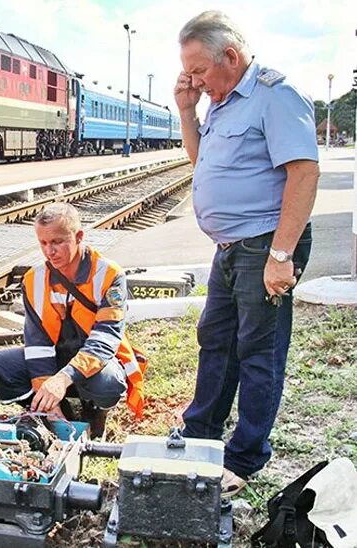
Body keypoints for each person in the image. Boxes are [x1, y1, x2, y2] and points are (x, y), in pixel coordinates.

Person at [173, 11, 319, 496]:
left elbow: (303, 173)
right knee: (216, 340)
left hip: (264, 245)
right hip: (231, 248)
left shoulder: (274, 96)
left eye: (199, 72)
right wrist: (187, 110)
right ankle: (201, 434)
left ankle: (245, 456)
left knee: (259, 351)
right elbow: (203, 162)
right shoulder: (221, 102)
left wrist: (281, 254)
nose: (194, 81)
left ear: (230, 57)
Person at [0, 203, 147, 438]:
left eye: (57, 242)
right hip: (57, 355)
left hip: (95, 359)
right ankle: (47, 409)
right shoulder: (34, 280)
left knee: (108, 382)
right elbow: (37, 342)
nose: (50, 251)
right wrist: (46, 390)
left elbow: (104, 340)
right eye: (43, 243)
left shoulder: (109, 274)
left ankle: (97, 410)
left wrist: (63, 378)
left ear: (79, 236)